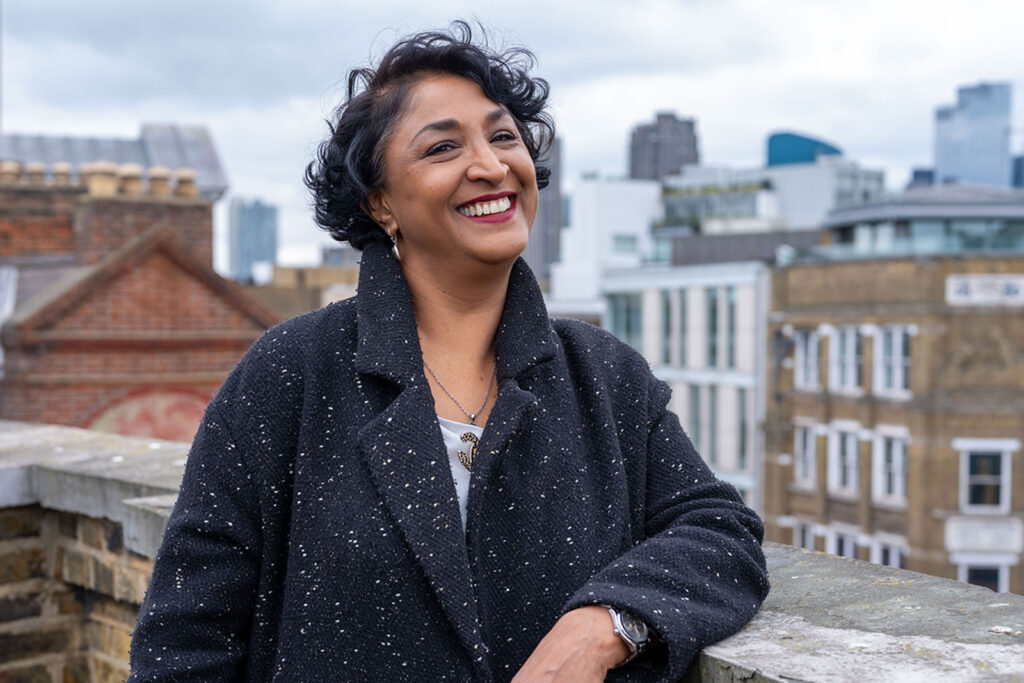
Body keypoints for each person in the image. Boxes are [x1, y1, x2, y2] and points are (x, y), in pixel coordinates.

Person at [128, 22, 769, 682]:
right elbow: (184, 643)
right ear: (381, 203)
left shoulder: (604, 374)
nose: (491, 166)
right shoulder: (289, 372)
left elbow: (722, 533)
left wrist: (606, 623)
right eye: (442, 148)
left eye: (502, 136)